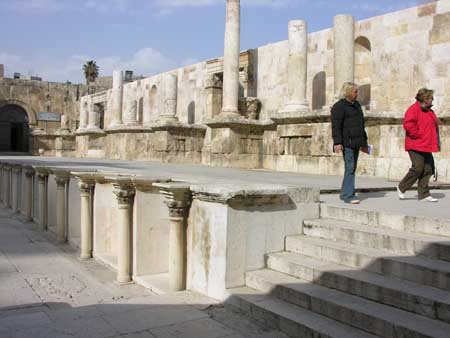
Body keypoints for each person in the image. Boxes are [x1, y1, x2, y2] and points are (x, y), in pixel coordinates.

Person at [397, 88, 440, 202]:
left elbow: (434, 127)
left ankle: (424, 195)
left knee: (428, 169)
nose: (433, 100)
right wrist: (419, 135)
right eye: (431, 98)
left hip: (426, 145)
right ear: (425, 99)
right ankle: (401, 187)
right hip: (415, 144)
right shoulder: (413, 109)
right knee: (418, 168)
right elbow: (408, 124)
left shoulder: (430, 111)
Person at [331, 82, 369, 204]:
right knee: (350, 168)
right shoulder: (339, 106)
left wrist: (364, 143)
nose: (357, 94)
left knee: (351, 168)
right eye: (355, 91)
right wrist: (337, 142)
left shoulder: (357, 105)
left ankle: (344, 193)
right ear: (348, 92)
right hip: (347, 143)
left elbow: (361, 125)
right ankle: (349, 195)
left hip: (357, 142)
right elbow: (336, 126)